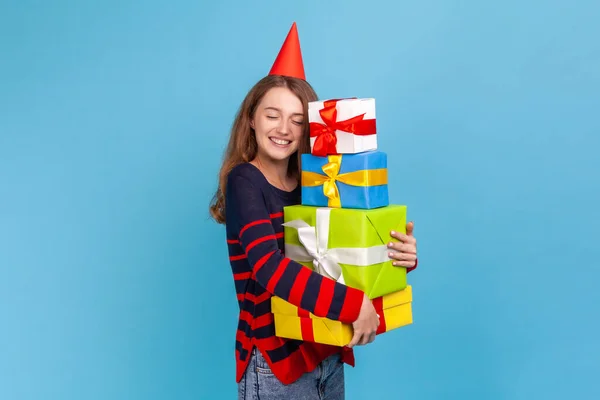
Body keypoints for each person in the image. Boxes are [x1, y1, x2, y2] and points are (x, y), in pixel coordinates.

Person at [209, 22, 419, 400]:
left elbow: (345, 251)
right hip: (275, 362)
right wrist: (353, 305)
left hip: (326, 349)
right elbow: (269, 269)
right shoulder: (245, 181)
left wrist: (395, 256)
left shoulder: (321, 184)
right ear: (251, 119)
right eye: (272, 114)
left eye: (298, 120)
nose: (284, 128)